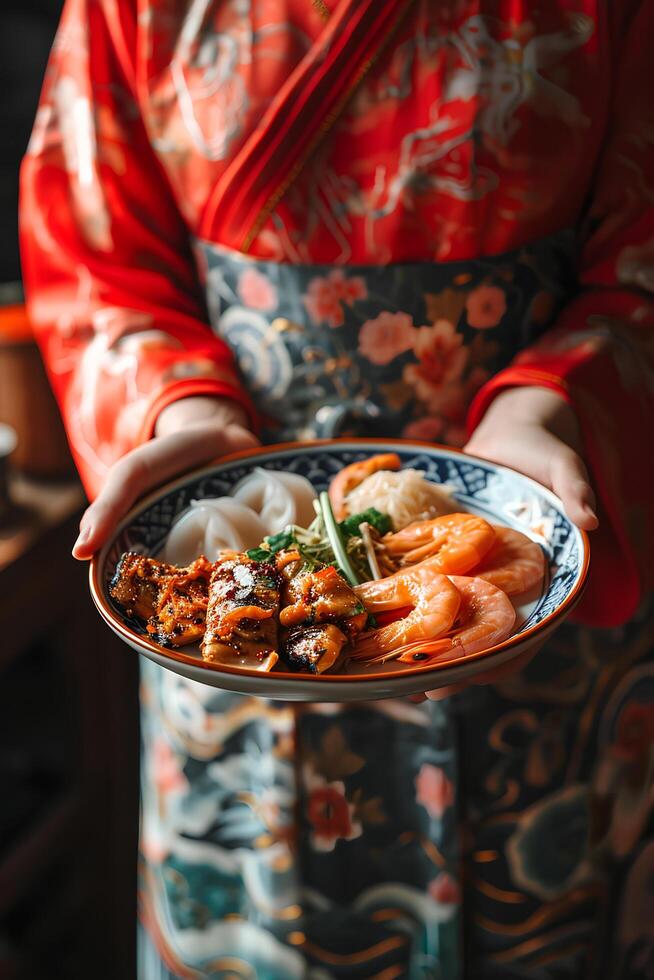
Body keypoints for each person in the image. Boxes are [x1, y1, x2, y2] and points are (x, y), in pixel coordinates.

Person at [20, 1, 654, 976]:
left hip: (536, 540)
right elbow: (96, 256)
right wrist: (183, 417)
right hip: (233, 556)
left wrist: (548, 403)